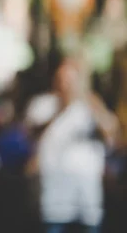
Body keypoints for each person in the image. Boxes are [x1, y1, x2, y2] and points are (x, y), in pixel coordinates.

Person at [26, 57, 120, 233]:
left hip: (86, 194)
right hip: (54, 195)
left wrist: (90, 100)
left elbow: (111, 134)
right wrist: (60, 108)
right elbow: (31, 133)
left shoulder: (90, 105)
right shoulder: (44, 104)